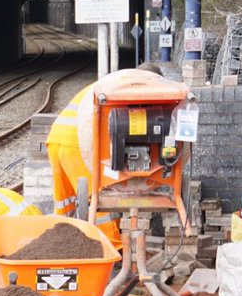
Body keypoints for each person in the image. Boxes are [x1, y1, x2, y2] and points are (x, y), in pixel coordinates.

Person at [46, 63, 163, 251]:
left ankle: (58, 245)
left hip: (57, 137)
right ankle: (111, 248)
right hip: (78, 143)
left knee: (65, 203)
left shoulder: (112, 84)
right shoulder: (130, 90)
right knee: (99, 197)